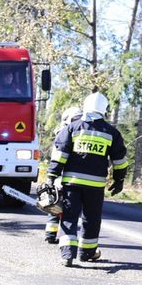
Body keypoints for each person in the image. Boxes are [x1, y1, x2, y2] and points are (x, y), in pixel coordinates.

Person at [47, 92, 129, 267]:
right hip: (95, 186)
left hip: (72, 183)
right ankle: (87, 253)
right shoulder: (112, 133)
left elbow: (60, 154)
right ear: (104, 110)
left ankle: (67, 254)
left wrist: (52, 175)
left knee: (69, 217)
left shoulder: (72, 128)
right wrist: (119, 180)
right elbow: (120, 161)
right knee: (91, 219)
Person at [43, 103, 83, 244]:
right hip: (63, 175)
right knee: (57, 205)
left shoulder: (69, 132)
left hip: (64, 175)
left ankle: (51, 233)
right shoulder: (65, 133)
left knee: (57, 205)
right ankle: (51, 233)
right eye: (75, 118)